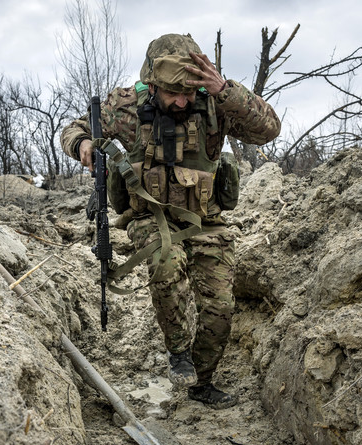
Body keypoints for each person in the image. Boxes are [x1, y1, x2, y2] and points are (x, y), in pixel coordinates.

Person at [61, 33, 280, 409]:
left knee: (221, 305)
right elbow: (73, 129)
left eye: (188, 92)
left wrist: (225, 89)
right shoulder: (126, 108)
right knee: (167, 260)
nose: (182, 101)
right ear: (153, 83)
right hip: (150, 216)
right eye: (173, 93)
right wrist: (81, 143)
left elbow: (268, 129)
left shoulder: (215, 102)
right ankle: (178, 351)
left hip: (205, 220)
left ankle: (202, 379)